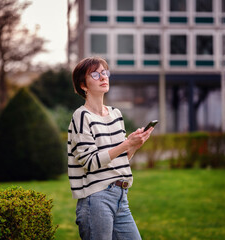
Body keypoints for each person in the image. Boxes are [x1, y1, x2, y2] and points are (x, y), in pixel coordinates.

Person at [67, 56, 154, 240]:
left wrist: (135, 145)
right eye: (96, 74)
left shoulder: (116, 114)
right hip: (96, 199)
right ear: (83, 85)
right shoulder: (81, 116)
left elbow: (119, 160)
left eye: (105, 73)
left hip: (121, 196)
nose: (103, 77)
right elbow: (90, 162)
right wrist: (126, 144)